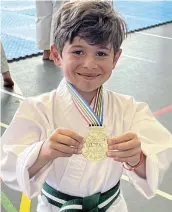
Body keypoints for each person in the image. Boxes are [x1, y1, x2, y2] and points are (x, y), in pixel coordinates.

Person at [1, 1, 172, 211]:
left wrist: (137, 158)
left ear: (115, 58)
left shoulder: (131, 110)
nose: (90, 64)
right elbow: (9, 169)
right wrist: (44, 151)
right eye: (78, 52)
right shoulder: (36, 109)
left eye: (101, 53)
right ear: (56, 55)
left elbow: (158, 159)